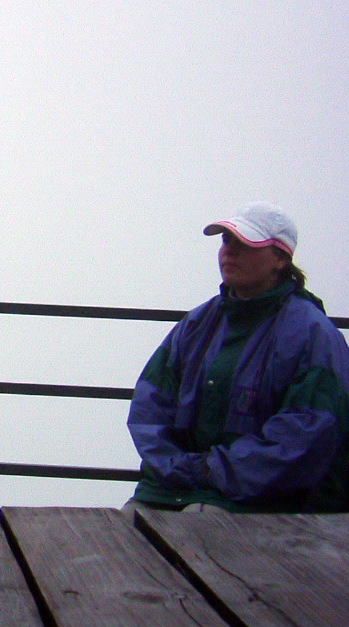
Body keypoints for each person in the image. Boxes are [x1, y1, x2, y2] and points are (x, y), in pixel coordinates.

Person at [127, 201, 349, 513]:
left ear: (280, 259)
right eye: (226, 240)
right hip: (178, 488)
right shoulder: (197, 323)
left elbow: (305, 437)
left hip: (272, 501)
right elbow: (150, 406)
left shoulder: (312, 334)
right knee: (123, 527)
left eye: (245, 243)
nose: (229, 251)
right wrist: (177, 467)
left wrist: (211, 471)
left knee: (195, 526)